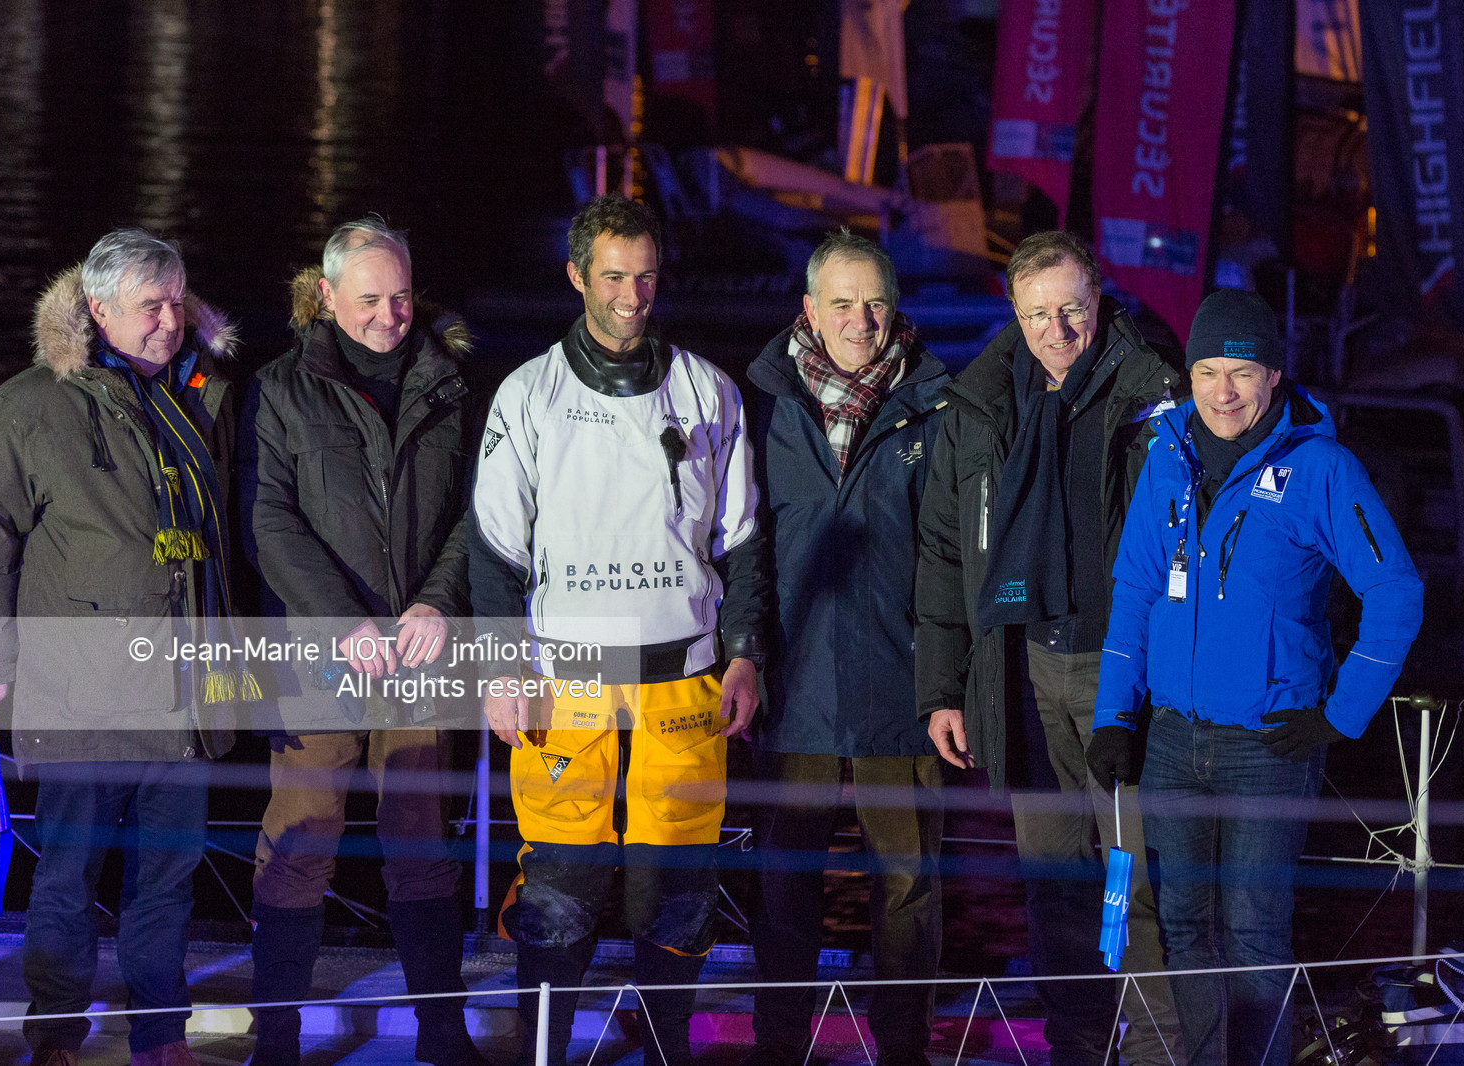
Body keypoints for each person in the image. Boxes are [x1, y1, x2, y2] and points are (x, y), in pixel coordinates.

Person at [1086, 288, 1424, 1065]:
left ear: (1275, 375)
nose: (1223, 391)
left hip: (1269, 746)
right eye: (1207, 371)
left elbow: (1396, 589)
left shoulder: (1320, 469)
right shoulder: (1164, 453)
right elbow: (1136, 590)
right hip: (1172, 739)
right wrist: (1114, 715)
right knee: (1183, 924)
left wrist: (1341, 716)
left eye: (1241, 371)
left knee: (1251, 928)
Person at [470, 193, 767, 1066]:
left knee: (678, 887)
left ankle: (666, 1049)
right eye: (612, 278)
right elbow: (494, 551)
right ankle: (544, 1053)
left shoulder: (709, 389)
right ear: (577, 277)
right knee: (559, 886)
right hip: (566, 681)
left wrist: (746, 653)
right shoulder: (528, 394)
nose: (632, 296)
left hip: (687, 680)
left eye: (644, 277)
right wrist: (501, 668)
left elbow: (744, 540)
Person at [0, 228, 244, 1066]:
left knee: (167, 886)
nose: (170, 320)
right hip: (78, 694)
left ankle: (159, 1038)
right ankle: (57, 1040)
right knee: (68, 883)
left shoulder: (204, 392)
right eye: (150, 306)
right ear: (98, 309)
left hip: (184, 693)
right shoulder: (32, 404)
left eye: (178, 302)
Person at [914, 230, 1183, 1064]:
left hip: (1123, 669)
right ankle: (1076, 1045)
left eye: (1071, 308)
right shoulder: (982, 404)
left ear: (1099, 299)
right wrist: (942, 688)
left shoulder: (1156, 394)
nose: (1056, 329)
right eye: (1038, 313)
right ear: (1014, 311)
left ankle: (1158, 1050)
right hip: (1023, 669)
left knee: (1138, 879)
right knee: (1058, 881)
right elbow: (947, 551)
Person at [239, 217, 480, 1066]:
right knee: (301, 839)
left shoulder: (448, 385)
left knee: (422, 842)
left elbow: (470, 518)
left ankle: (442, 1037)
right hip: (318, 654)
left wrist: (438, 604)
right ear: (328, 296)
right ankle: (277, 1039)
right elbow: (268, 520)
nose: (390, 314)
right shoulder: (278, 389)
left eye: (402, 295)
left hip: (419, 653)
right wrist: (341, 619)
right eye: (371, 299)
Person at [742, 230, 948, 1066]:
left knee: (907, 886)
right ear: (809, 311)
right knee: (785, 886)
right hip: (793, 684)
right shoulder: (763, 403)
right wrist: (746, 652)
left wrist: (946, 681)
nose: (860, 320)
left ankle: (903, 1051)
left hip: (902, 688)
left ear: (895, 308)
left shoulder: (938, 405)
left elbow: (950, 559)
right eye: (842, 303)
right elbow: (742, 545)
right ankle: (777, 1048)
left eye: (875, 303)